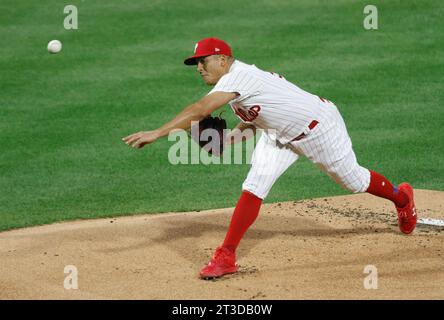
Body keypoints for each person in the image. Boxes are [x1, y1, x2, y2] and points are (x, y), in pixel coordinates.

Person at [122, 37, 417, 280]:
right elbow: (256, 120)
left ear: (223, 59)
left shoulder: (240, 76)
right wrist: (227, 141)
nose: (199, 67)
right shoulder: (234, 84)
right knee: (254, 186)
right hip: (279, 135)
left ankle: (401, 198)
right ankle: (226, 256)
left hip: (319, 128)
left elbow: (200, 110)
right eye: (196, 63)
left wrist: (157, 132)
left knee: (353, 180)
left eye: (204, 61)